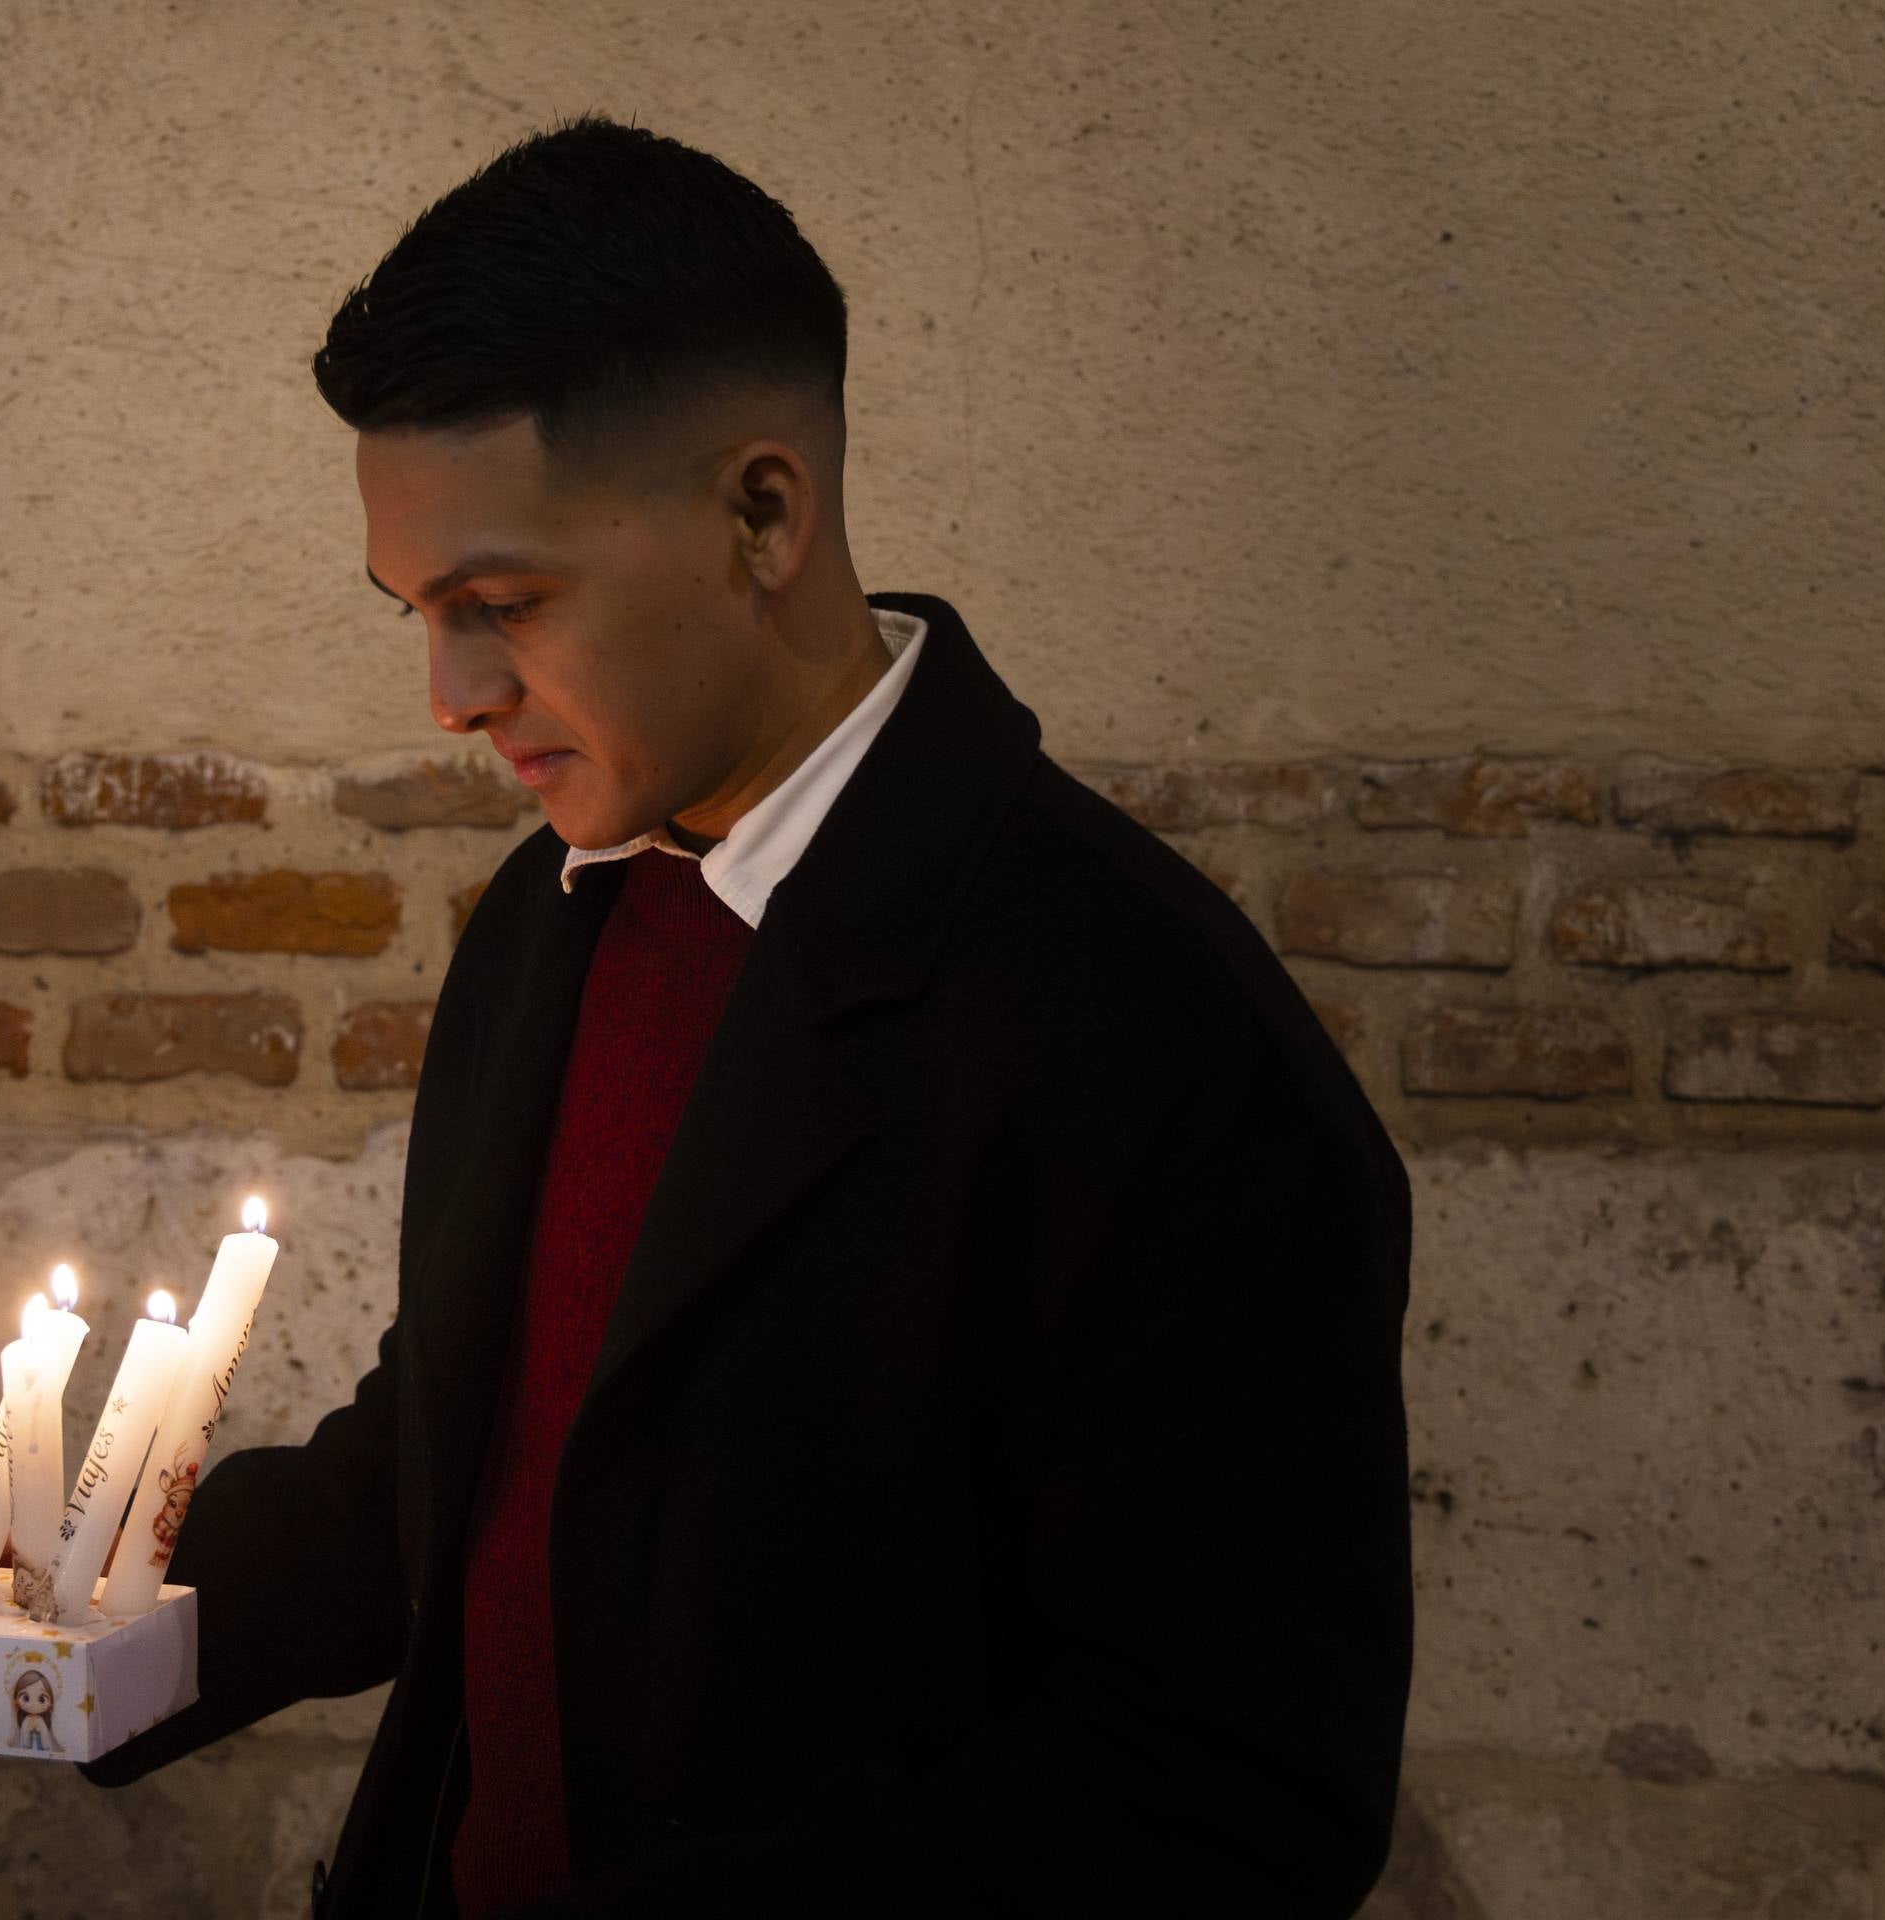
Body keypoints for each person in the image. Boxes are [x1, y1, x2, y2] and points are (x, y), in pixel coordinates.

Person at [79, 113, 1414, 1919]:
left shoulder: (1150, 1035)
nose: (450, 694)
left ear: (762, 515)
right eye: (416, 612)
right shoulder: (555, 922)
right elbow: (476, 1458)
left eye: (502, 604)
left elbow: (1223, 1799)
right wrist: (56, 1613)